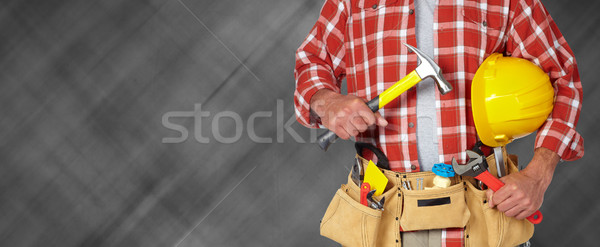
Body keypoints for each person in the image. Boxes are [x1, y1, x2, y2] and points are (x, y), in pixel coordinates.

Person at [294, 0, 584, 246]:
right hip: (381, 207)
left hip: (483, 206)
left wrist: (537, 175)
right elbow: (312, 60)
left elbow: (563, 79)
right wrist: (327, 102)